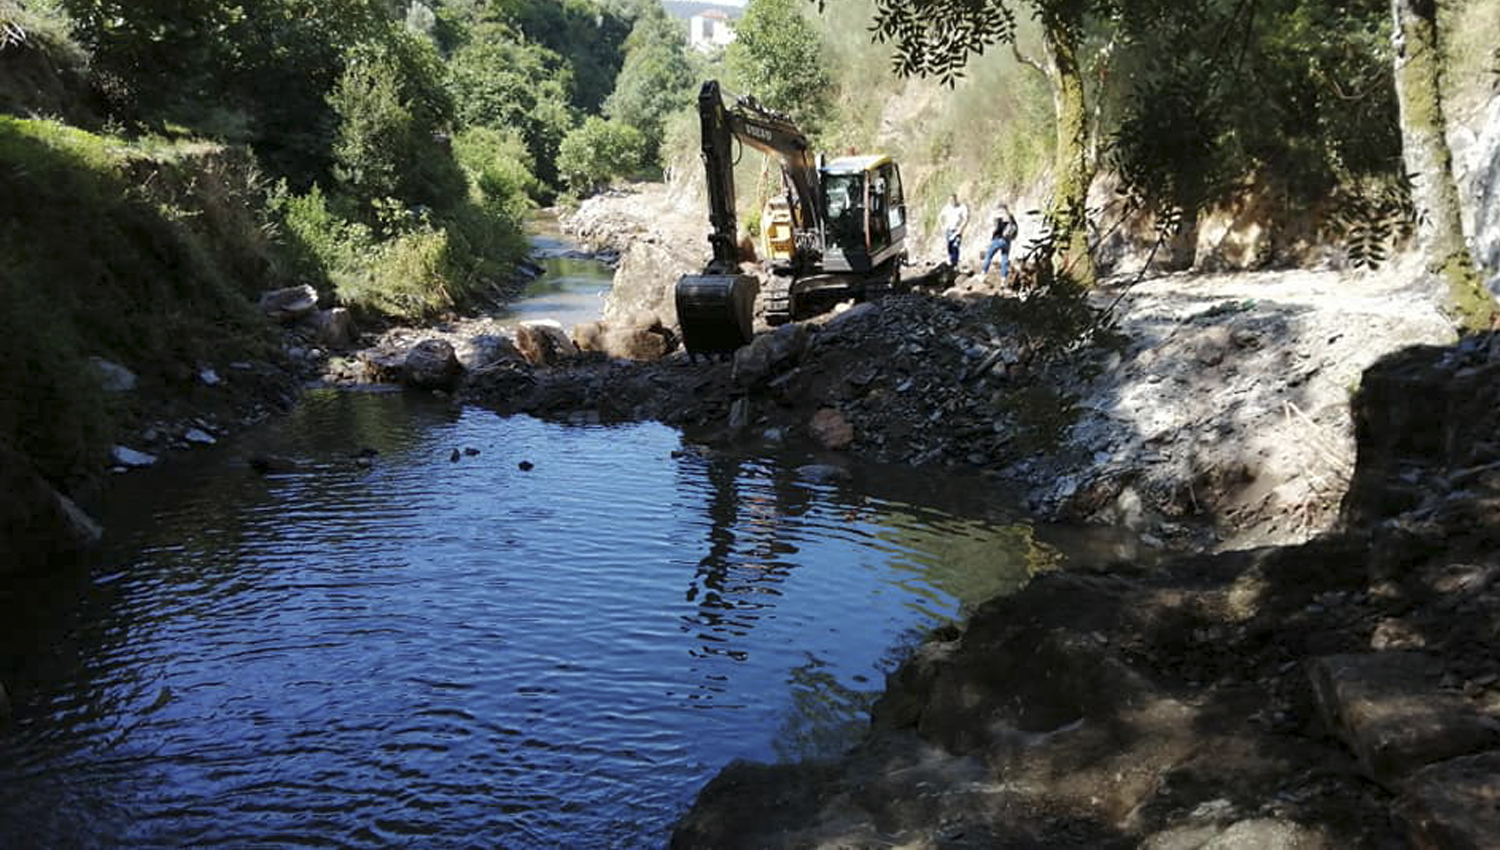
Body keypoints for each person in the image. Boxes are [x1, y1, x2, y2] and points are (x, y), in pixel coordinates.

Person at [982, 202, 1019, 280]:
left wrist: (992, 238)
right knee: (1004, 259)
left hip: (998, 239)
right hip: (1007, 241)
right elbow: (1016, 228)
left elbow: (996, 229)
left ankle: (983, 273)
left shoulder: (999, 216)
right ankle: (1003, 279)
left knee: (988, 255)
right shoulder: (1010, 216)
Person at [938, 193, 969, 267]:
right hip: (949, 230)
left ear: (956, 199)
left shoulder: (962, 207)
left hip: (957, 230)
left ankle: (955, 264)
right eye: (950, 200)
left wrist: (961, 229)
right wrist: (942, 226)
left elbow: (966, 219)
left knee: (955, 246)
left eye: (952, 200)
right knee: (949, 247)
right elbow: (940, 217)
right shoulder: (947, 207)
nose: (951, 202)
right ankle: (952, 261)